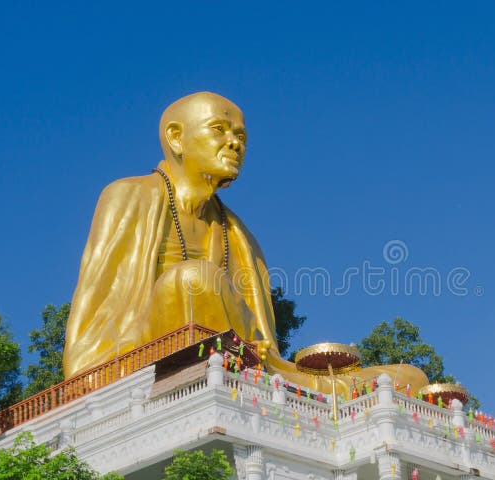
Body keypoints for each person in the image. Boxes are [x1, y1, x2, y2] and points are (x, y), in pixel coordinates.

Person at [63, 92, 428, 394]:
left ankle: (294, 384)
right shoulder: (128, 197)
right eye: (219, 130)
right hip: (147, 359)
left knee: (408, 377)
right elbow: (96, 325)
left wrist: (261, 356)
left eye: (241, 136)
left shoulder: (239, 235)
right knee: (192, 281)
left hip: (255, 364)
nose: (234, 143)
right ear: (176, 138)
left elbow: (261, 339)